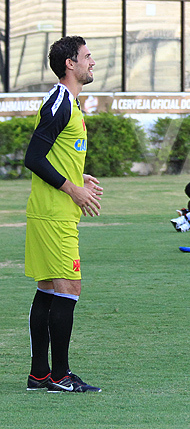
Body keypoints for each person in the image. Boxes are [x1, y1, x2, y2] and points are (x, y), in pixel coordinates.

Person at [23, 36, 103, 393]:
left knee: (47, 288)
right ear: (70, 64)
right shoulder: (60, 102)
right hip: (54, 214)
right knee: (69, 288)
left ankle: (40, 374)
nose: (92, 62)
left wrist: (77, 176)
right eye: (87, 56)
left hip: (51, 212)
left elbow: (52, 156)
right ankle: (60, 376)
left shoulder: (69, 102)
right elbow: (33, 157)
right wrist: (72, 188)